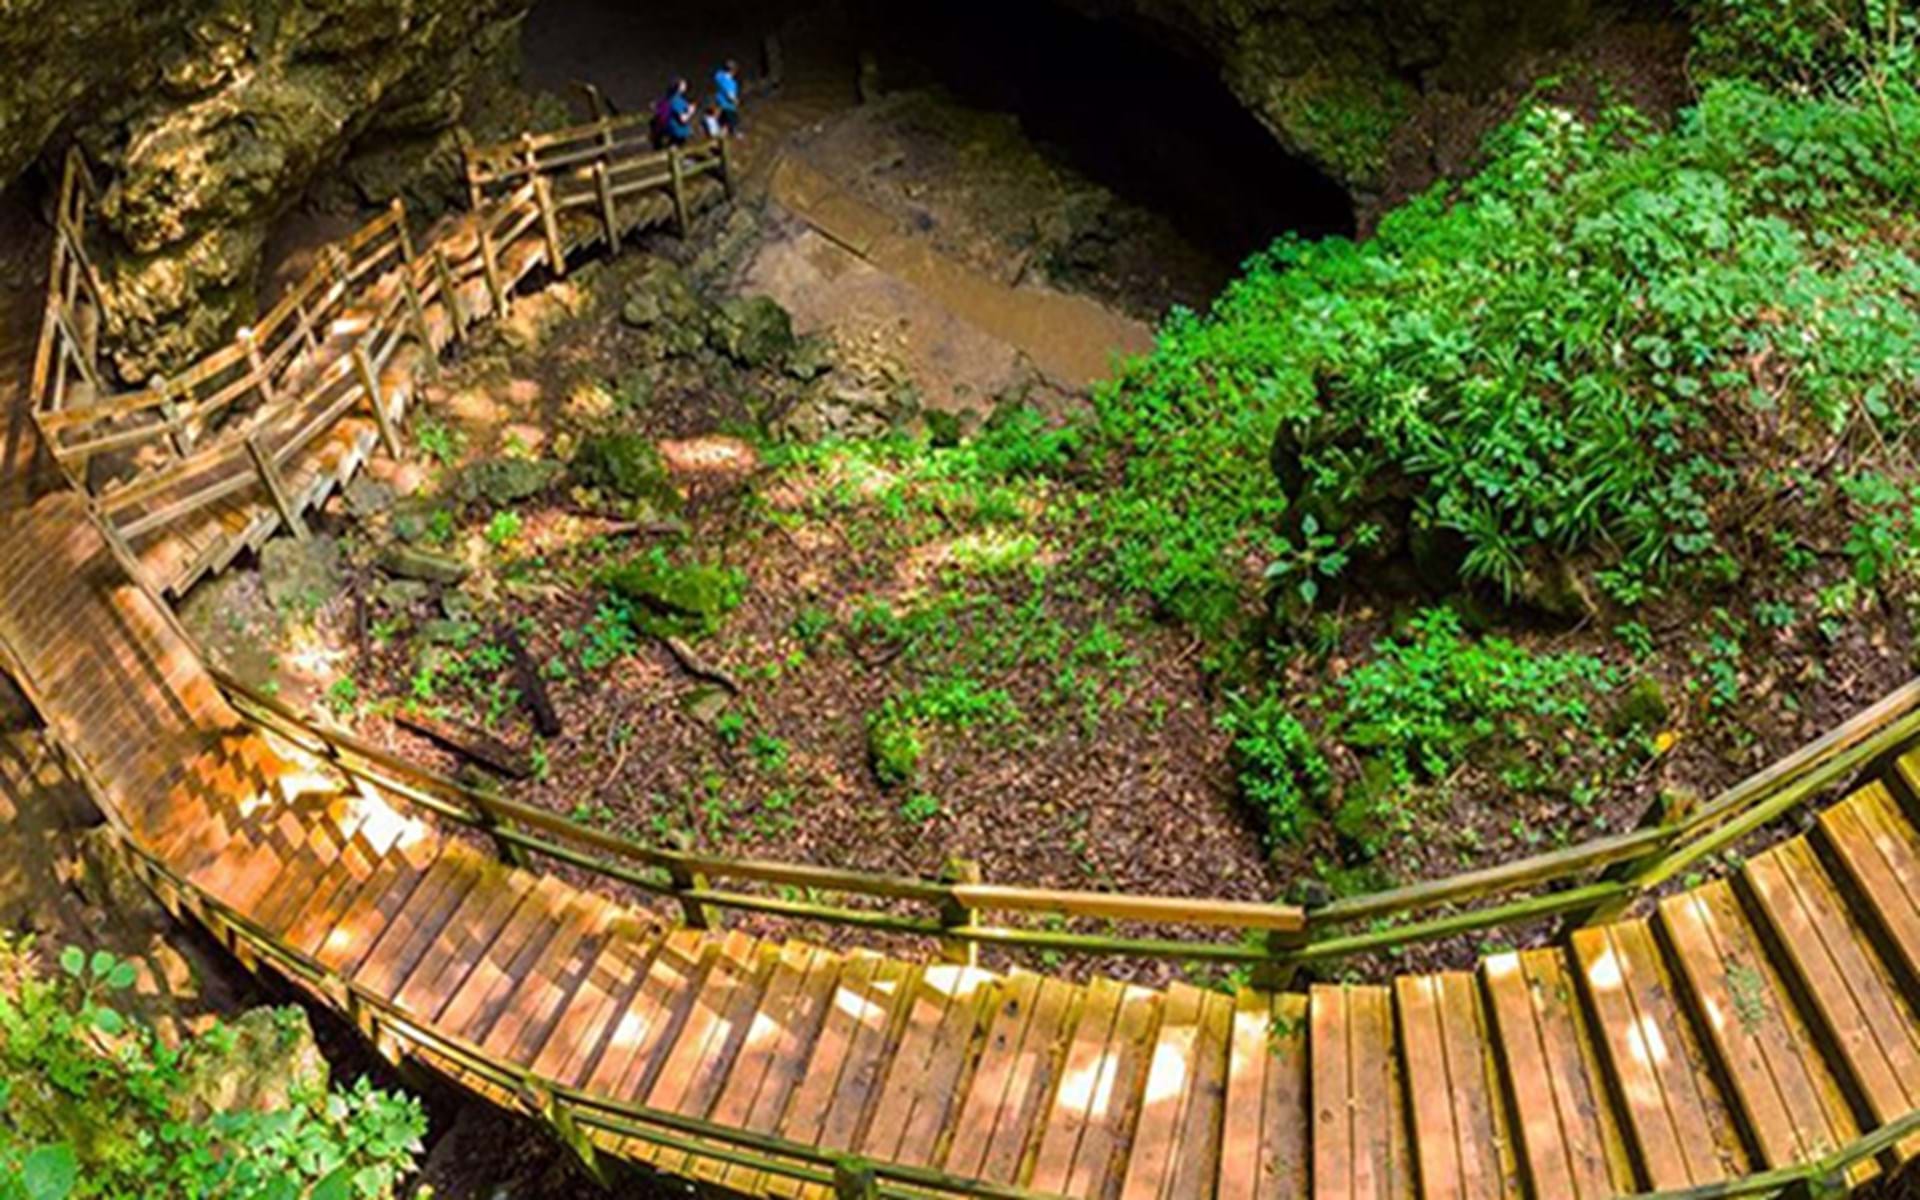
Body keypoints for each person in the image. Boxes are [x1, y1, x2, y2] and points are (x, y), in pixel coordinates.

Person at [653, 78, 695, 149]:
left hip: (674, 130)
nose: (685, 85)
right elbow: (683, 119)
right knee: (675, 148)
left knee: (675, 147)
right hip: (677, 131)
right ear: (678, 87)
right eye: (683, 84)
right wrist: (690, 112)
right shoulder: (676, 100)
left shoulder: (673, 98)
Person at [713, 59, 743, 137]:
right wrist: (736, 101)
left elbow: (716, 77)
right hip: (728, 106)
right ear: (733, 71)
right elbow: (730, 96)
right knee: (733, 120)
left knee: (722, 120)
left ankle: (721, 132)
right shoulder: (731, 83)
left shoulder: (719, 75)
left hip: (719, 101)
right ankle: (735, 133)